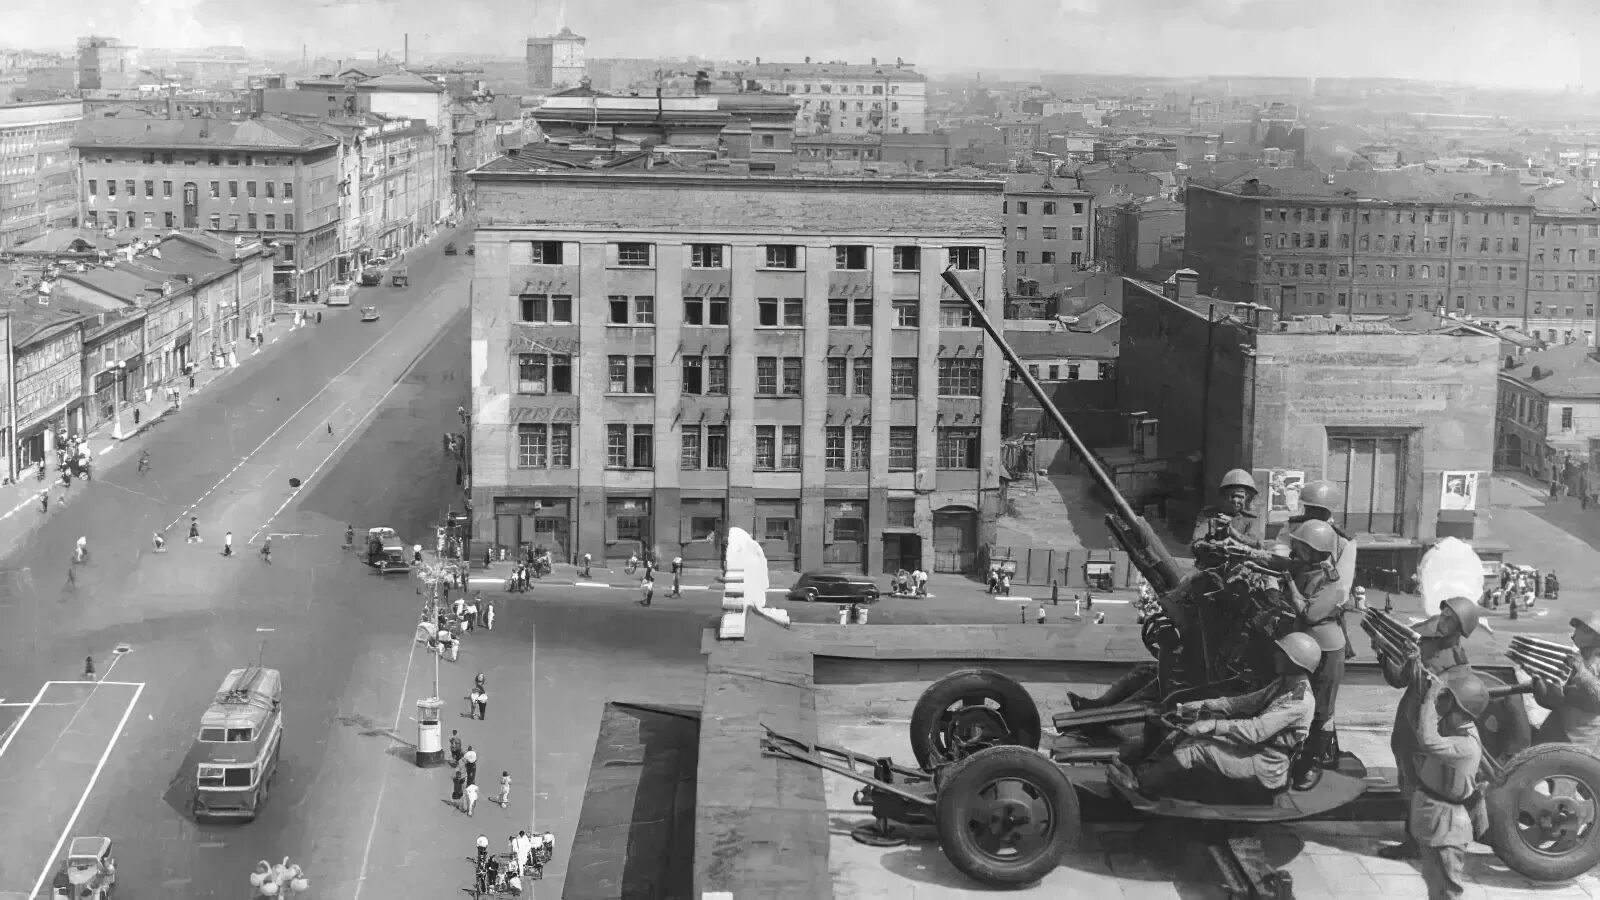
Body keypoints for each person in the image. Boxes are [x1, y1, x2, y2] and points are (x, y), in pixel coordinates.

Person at [1108, 631, 1321, 800]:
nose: (1276, 655)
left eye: (1282, 653)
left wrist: (1209, 726)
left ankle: (1142, 786)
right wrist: (1196, 706)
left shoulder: (1300, 701)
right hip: (1258, 751)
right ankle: (1141, 772)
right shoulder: (1285, 684)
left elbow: (1256, 730)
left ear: (1295, 662)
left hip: (1268, 764)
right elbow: (1243, 702)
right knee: (1182, 736)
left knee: (1196, 748)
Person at [1375, 594, 1483, 861]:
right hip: (1408, 723)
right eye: (1443, 614)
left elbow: (1437, 696)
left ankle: (1416, 842)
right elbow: (1399, 679)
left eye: (1449, 619)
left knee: (1418, 785)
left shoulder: (1457, 661)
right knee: (1407, 781)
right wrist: (1385, 652)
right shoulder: (1427, 644)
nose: (1442, 621)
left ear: (1461, 628)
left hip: (1426, 728)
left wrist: (1414, 665)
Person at [1282, 518, 1352, 790]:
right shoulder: (1306, 569)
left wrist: (1288, 583)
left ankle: (1307, 766)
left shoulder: (1330, 581)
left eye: (1301, 547)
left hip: (1326, 648)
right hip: (1304, 644)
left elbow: (1309, 614)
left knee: (1322, 712)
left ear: (1314, 550)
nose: (1296, 551)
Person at [1410, 672, 1491, 900]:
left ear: (1458, 709)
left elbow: (1427, 740)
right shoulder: (1459, 731)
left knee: (1447, 889)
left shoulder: (1465, 745)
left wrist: (1429, 699)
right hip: (1436, 816)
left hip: (1447, 825)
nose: (1441, 706)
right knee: (1434, 883)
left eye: (1446, 702)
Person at [1529, 612, 1600, 749]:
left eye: (1582, 629)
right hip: (1559, 728)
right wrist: (1541, 686)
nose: (1575, 633)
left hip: (1585, 738)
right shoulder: (1572, 658)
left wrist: (1581, 674)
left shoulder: (1591, 664)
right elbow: (1556, 701)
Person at [1190, 468, 1263, 568]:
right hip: (1211, 567)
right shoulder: (1209, 515)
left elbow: (1257, 545)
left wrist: (1233, 533)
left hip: (1242, 568)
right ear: (1224, 496)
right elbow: (1196, 542)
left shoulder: (1250, 519)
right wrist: (1208, 547)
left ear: (1246, 498)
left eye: (1241, 497)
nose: (1236, 501)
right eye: (1233, 496)